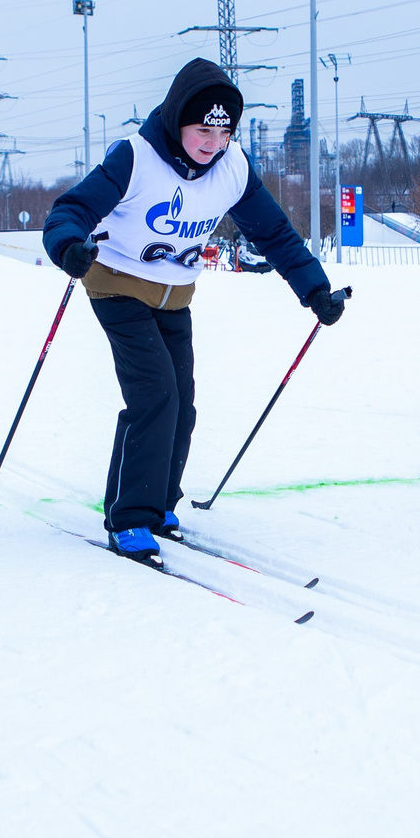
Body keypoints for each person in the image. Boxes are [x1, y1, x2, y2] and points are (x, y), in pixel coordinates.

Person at [42, 58, 345, 564]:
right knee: (155, 392)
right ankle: (130, 517)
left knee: (182, 399)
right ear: (176, 121)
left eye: (222, 133)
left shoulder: (233, 168)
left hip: (175, 295)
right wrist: (68, 244)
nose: (211, 143)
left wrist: (315, 289)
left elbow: (273, 234)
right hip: (117, 286)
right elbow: (69, 210)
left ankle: (159, 505)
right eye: (202, 130)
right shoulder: (135, 158)